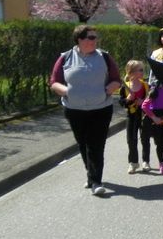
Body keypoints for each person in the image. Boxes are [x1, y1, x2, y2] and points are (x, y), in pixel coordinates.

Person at [49, 25, 121, 196]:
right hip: (75, 109)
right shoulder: (65, 58)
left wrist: (108, 90)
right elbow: (54, 81)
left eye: (95, 37)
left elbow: (116, 79)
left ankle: (96, 181)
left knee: (96, 145)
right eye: (90, 37)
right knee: (83, 144)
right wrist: (67, 91)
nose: (94, 40)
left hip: (101, 108)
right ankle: (91, 175)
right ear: (79, 40)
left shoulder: (104, 56)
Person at [119, 60, 151, 174]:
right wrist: (128, 99)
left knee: (145, 138)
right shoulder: (125, 87)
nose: (143, 72)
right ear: (131, 72)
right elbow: (121, 102)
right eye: (140, 70)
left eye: (142, 70)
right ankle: (133, 162)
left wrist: (143, 101)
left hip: (144, 115)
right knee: (131, 139)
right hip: (131, 116)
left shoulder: (145, 85)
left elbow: (151, 100)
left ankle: (146, 161)